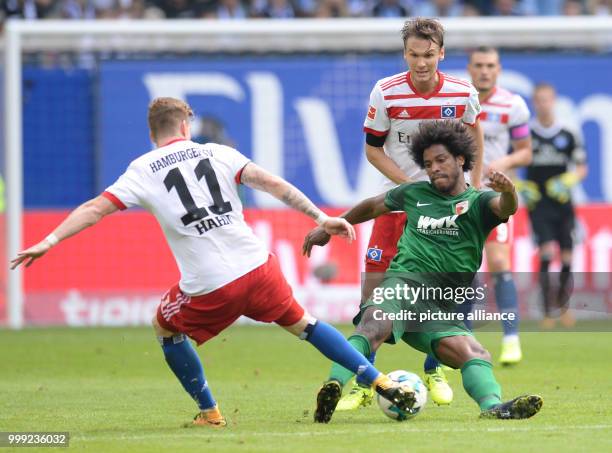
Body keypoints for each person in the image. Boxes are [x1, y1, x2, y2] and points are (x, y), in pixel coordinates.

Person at [10, 97, 417, 427]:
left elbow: (95, 209)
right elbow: (272, 184)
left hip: (211, 284)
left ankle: (210, 412)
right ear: (186, 125)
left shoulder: (140, 170)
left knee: (164, 326)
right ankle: (378, 379)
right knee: (304, 324)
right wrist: (321, 217)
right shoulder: (217, 152)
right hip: (259, 267)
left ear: (153, 134)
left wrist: (49, 239)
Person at [304, 120, 543, 423]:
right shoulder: (414, 193)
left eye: (441, 160)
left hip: (438, 305)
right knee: (372, 326)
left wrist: (509, 191)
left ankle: (493, 407)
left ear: (460, 159)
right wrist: (332, 225)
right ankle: (333, 385)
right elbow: (373, 205)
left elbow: (505, 207)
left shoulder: (478, 202)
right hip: (403, 285)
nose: (434, 169)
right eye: (428, 163)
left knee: (474, 353)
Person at [304, 17, 484, 410]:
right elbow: (373, 149)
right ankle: (364, 383)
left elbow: (474, 136)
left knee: (443, 299)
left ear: (442, 53)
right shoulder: (385, 93)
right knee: (373, 299)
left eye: (429, 55)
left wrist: (476, 183)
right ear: (405, 54)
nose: (421, 63)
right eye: (414, 55)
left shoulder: (461, 92)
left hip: (448, 211)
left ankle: (434, 370)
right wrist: (409, 186)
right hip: (396, 204)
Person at [421, 47, 533, 382]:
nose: (485, 71)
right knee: (461, 268)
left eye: (491, 66)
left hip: (492, 196)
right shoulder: (454, 102)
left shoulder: (512, 105)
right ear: (469, 69)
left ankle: (511, 337)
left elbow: (525, 152)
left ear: (499, 69)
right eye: (479, 66)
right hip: (457, 197)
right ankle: (462, 334)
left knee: (498, 262)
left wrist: (503, 164)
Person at [524, 83, 588, 328]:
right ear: (534, 103)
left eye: (547, 99)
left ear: (554, 101)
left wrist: (569, 179)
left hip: (562, 203)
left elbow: (582, 166)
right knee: (547, 252)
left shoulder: (568, 133)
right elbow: (510, 162)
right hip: (538, 204)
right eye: (539, 100)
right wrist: (520, 185)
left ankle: (563, 307)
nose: (543, 104)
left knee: (568, 255)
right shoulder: (526, 133)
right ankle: (547, 311)